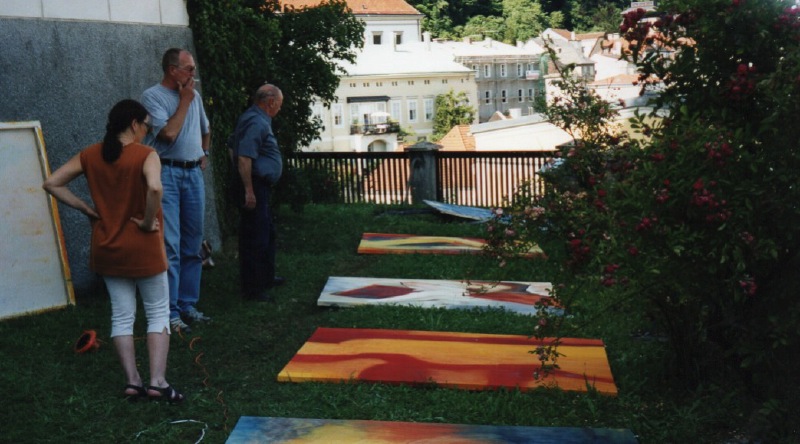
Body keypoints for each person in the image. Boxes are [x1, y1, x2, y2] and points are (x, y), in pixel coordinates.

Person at [43, 99, 184, 403]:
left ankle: (132, 382)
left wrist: (86, 209)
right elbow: (155, 188)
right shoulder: (146, 155)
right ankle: (158, 382)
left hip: (107, 246)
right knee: (157, 311)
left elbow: (52, 183)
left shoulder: (90, 155)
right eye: (147, 126)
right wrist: (146, 221)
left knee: (121, 315)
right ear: (134, 124)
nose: (147, 132)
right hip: (143, 247)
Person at [141, 48, 211, 333]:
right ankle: (169, 312)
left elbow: (206, 129)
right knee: (169, 245)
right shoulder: (153, 97)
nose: (193, 74)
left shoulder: (195, 96)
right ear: (173, 70)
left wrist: (204, 152)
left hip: (193, 173)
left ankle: (187, 304)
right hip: (167, 172)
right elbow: (168, 134)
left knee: (193, 244)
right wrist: (184, 100)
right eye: (189, 69)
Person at [230, 84, 286, 302]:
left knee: (266, 233)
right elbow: (244, 157)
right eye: (279, 104)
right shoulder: (255, 121)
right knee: (255, 237)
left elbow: (232, 145)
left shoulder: (257, 119)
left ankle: (266, 277)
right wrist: (248, 190)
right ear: (270, 102)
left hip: (259, 185)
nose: (279, 108)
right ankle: (253, 289)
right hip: (255, 185)